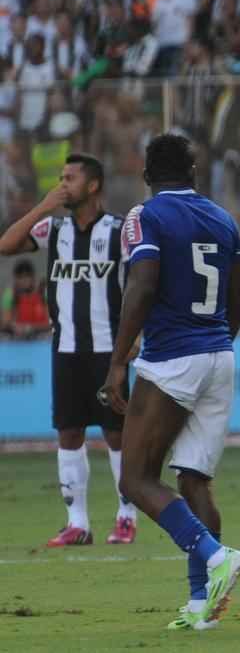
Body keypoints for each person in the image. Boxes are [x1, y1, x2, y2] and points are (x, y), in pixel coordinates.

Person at [99, 134, 240, 631]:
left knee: (136, 478)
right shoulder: (224, 219)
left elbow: (141, 284)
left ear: (147, 175)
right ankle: (199, 604)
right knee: (193, 480)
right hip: (219, 355)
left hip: (173, 360)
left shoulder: (144, 217)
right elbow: (238, 301)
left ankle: (215, 556)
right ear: (194, 172)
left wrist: (119, 360)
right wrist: (214, 343)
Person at [0, 154, 138, 547]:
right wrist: (44, 204)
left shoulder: (117, 231)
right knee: (69, 431)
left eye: (70, 178)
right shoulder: (52, 227)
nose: (63, 184)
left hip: (109, 350)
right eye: (61, 177)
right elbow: (6, 245)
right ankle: (77, 522)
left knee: (115, 433)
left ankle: (126, 516)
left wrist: (136, 339)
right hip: (66, 348)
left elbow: (145, 283)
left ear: (93, 186)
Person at [1, 259, 50, 338]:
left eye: (27, 276)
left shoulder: (43, 292)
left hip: (42, 337)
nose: (24, 280)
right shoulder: (10, 294)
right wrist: (14, 327)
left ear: (33, 277)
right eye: (20, 277)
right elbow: (5, 323)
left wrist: (32, 328)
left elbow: (51, 323)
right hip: (18, 339)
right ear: (15, 279)